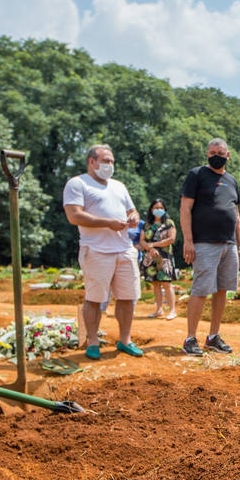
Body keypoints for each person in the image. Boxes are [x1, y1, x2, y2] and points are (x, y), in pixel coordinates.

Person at [62, 144, 144, 360]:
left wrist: (134, 216)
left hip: (124, 249)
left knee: (128, 297)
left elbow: (132, 210)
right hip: (96, 250)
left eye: (112, 162)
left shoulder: (118, 186)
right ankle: (92, 341)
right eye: (106, 161)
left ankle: (125, 340)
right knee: (95, 298)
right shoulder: (78, 183)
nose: (110, 165)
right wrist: (108, 223)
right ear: (92, 161)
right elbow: (74, 216)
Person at [179, 138, 240, 356]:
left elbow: (236, 215)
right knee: (201, 289)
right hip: (204, 242)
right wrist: (188, 240)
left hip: (229, 243)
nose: (216, 155)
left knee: (222, 290)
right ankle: (190, 338)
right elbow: (185, 208)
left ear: (228, 155)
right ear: (207, 154)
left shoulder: (232, 181)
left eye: (220, 152)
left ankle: (213, 336)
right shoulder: (196, 175)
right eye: (212, 151)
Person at [139, 198, 178, 320]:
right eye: (156, 208)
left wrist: (154, 245)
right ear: (151, 210)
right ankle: (159, 309)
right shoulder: (147, 225)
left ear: (165, 210)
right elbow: (142, 240)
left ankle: (172, 310)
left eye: (161, 208)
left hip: (164, 257)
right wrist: (149, 249)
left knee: (166, 283)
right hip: (151, 257)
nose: (159, 210)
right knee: (155, 283)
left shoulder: (169, 223)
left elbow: (171, 239)